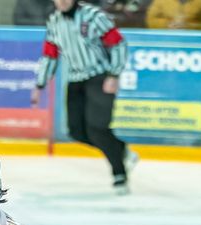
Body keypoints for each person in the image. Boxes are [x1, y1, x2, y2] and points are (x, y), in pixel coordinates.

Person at [30, 0, 135, 194]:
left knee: (97, 128)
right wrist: (40, 84)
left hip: (100, 77)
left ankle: (119, 174)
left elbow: (118, 43)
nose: (61, 1)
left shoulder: (93, 16)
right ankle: (120, 149)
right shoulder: (54, 21)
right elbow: (50, 55)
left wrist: (114, 74)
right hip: (75, 80)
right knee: (76, 131)